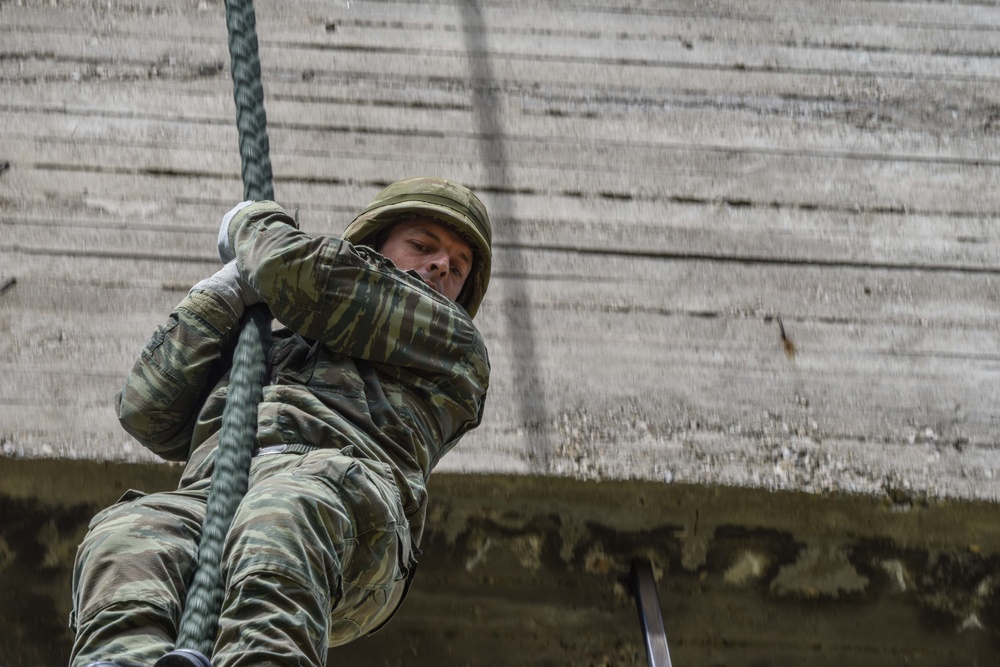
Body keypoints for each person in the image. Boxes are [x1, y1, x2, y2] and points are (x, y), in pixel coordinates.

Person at [69, 177, 492, 667]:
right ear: (374, 244)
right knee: (128, 532)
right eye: (422, 245)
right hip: (219, 499)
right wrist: (221, 297)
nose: (441, 265)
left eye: (459, 267)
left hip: (348, 509)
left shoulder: (453, 344)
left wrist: (255, 228)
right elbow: (147, 411)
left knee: (286, 507)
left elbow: (292, 269)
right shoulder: (269, 344)